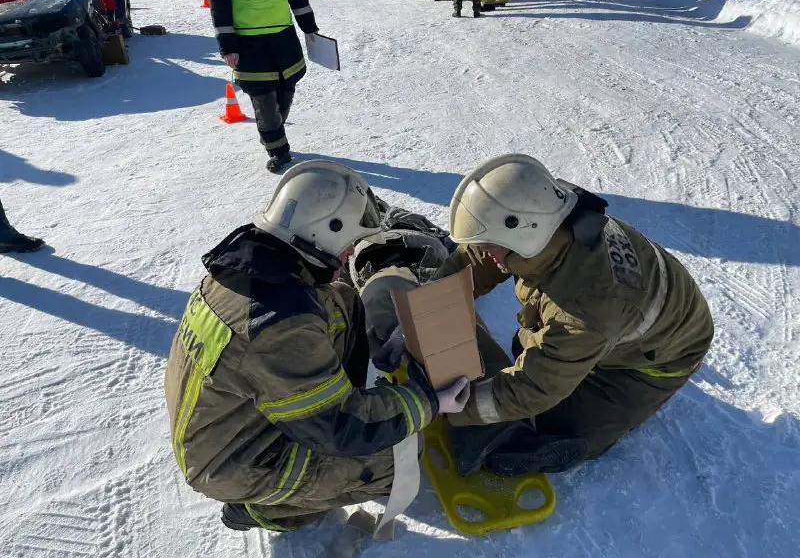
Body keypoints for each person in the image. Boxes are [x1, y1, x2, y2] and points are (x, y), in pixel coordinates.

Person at [164, 160, 470, 533]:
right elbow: (341, 426)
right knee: (398, 457)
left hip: (228, 419)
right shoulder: (280, 325)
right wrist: (429, 402)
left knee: (341, 298)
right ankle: (260, 509)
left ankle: (324, 398)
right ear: (323, 232)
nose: (349, 254)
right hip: (237, 459)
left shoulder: (250, 264)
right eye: (348, 245)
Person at [433, 153, 714, 473]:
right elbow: (477, 258)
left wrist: (451, 409)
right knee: (527, 350)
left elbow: (535, 388)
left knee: (559, 422)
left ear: (523, 235)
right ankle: (563, 361)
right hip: (617, 325)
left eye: (489, 245)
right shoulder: (548, 212)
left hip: (655, 359)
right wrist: (429, 304)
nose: (485, 252)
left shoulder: (589, 305)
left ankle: (585, 430)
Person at [207, 0, 319, 173]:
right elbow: (218, 2)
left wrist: (308, 26)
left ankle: (273, 130)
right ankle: (278, 150)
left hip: (283, 35)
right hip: (248, 39)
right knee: (263, 96)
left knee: (286, 86)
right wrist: (228, 46)